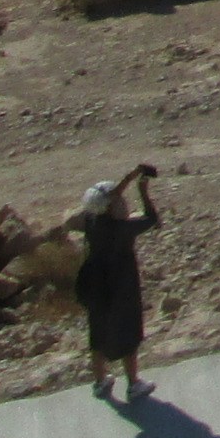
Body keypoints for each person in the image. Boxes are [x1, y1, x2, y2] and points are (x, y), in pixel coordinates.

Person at [74, 167, 162, 400]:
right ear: (111, 207)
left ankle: (100, 381)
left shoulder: (93, 221)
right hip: (121, 288)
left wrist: (132, 176)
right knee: (128, 334)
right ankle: (133, 384)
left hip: (96, 287)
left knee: (98, 333)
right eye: (120, 201)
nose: (123, 203)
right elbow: (151, 219)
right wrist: (142, 190)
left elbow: (107, 198)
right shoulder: (122, 229)